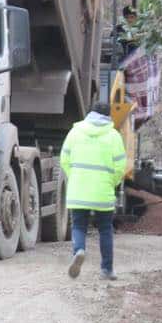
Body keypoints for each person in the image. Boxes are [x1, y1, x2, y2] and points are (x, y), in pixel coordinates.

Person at [61, 100, 128, 281]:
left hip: (78, 190)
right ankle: (107, 269)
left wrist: (74, 176)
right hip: (103, 191)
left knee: (79, 225)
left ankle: (79, 250)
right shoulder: (114, 136)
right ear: (108, 116)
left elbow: (64, 160)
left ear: (90, 113)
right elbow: (121, 166)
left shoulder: (75, 132)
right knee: (105, 229)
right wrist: (110, 182)